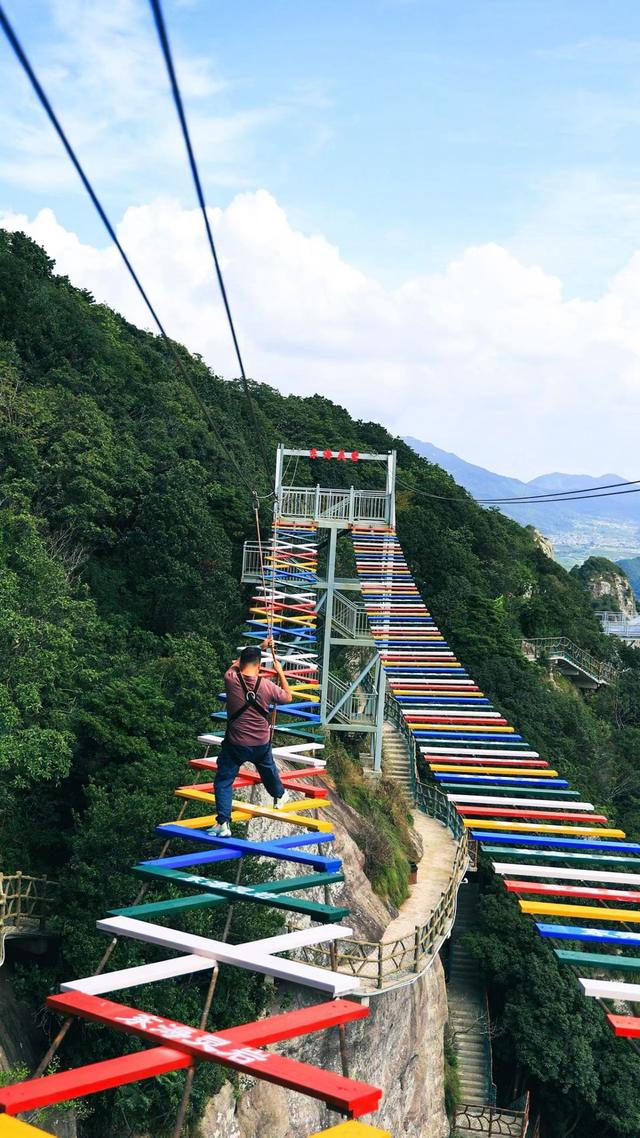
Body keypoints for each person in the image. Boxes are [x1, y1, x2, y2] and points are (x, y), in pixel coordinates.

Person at [208, 636, 293, 837]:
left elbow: (236, 663)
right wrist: (280, 672)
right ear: (260, 665)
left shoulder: (230, 678)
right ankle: (279, 795)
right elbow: (288, 697)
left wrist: (260, 647)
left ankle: (223, 823)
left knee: (223, 780)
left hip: (235, 744)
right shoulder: (267, 686)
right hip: (260, 743)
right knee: (267, 769)